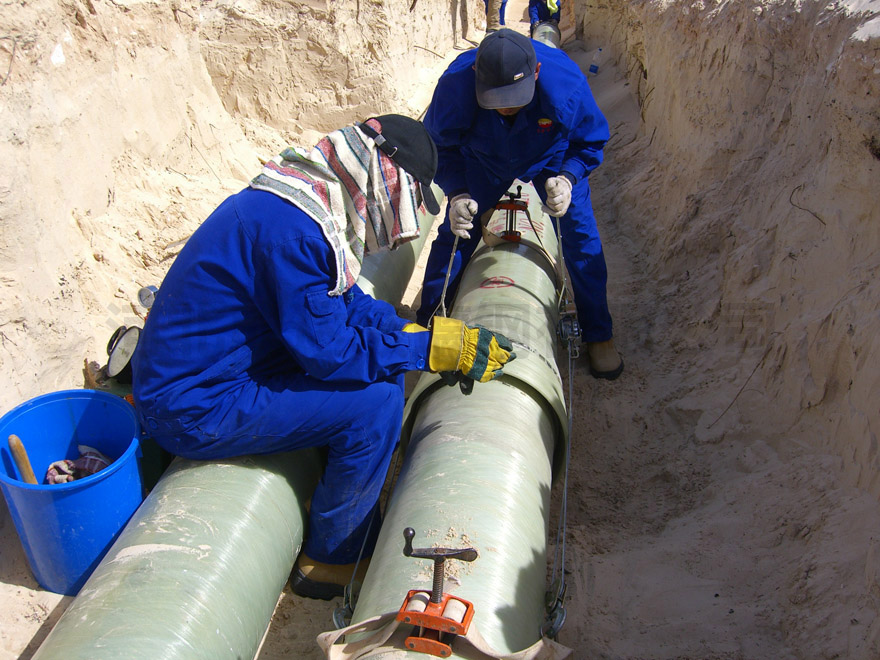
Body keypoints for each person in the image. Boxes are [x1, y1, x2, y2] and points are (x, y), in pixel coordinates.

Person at [131, 115, 515, 600]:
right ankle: (331, 559)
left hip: (226, 366)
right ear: (383, 179)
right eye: (408, 199)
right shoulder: (299, 236)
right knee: (375, 405)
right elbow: (330, 353)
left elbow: (343, 303)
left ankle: (333, 494)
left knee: (381, 369)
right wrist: (424, 351)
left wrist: (414, 332)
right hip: (193, 404)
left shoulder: (302, 203)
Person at [417, 29, 624, 380]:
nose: (506, 106)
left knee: (580, 237)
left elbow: (590, 141)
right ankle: (429, 327)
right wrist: (459, 193)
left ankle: (599, 334)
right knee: (457, 234)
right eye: (495, 98)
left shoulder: (566, 86)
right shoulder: (455, 88)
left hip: (550, 157)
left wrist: (568, 178)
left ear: (537, 73)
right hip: (482, 160)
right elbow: (438, 147)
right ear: (476, 76)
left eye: (514, 97)